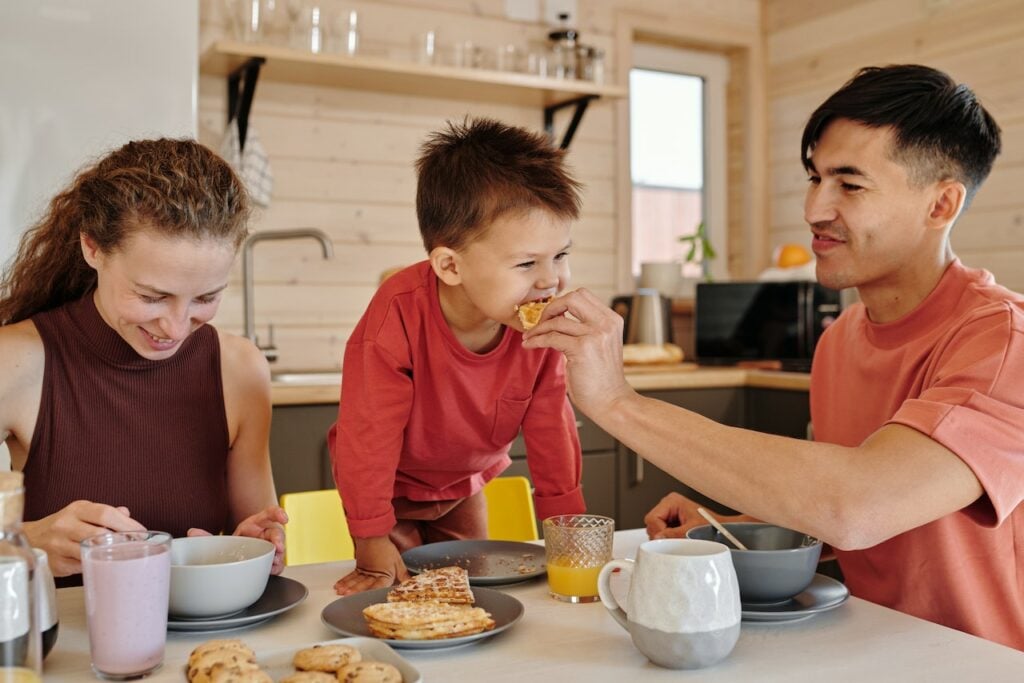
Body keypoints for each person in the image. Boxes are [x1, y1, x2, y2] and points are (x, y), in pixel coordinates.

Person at [523, 64, 1024, 651]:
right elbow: (866, 524)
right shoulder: (841, 338)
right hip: (865, 647)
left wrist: (616, 402)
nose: (814, 209)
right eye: (815, 178)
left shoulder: (1004, 343)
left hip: (978, 661)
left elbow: (857, 505)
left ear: (941, 204)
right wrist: (733, 528)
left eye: (850, 184)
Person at [0, 138, 288, 584]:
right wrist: (29, 541)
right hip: (59, 646)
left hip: (196, 646)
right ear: (92, 248)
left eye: (206, 298)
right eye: (152, 297)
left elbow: (253, 536)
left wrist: (249, 547)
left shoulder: (240, 370)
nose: (175, 329)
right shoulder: (16, 359)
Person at [331, 118, 586, 595]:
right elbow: (367, 436)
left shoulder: (538, 327)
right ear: (450, 265)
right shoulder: (397, 315)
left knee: (470, 596)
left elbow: (553, 429)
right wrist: (369, 536)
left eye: (561, 255)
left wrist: (566, 533)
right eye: (528, 263)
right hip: (389, 491)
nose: (551, 279)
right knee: (397, 591)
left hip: (462, 486)